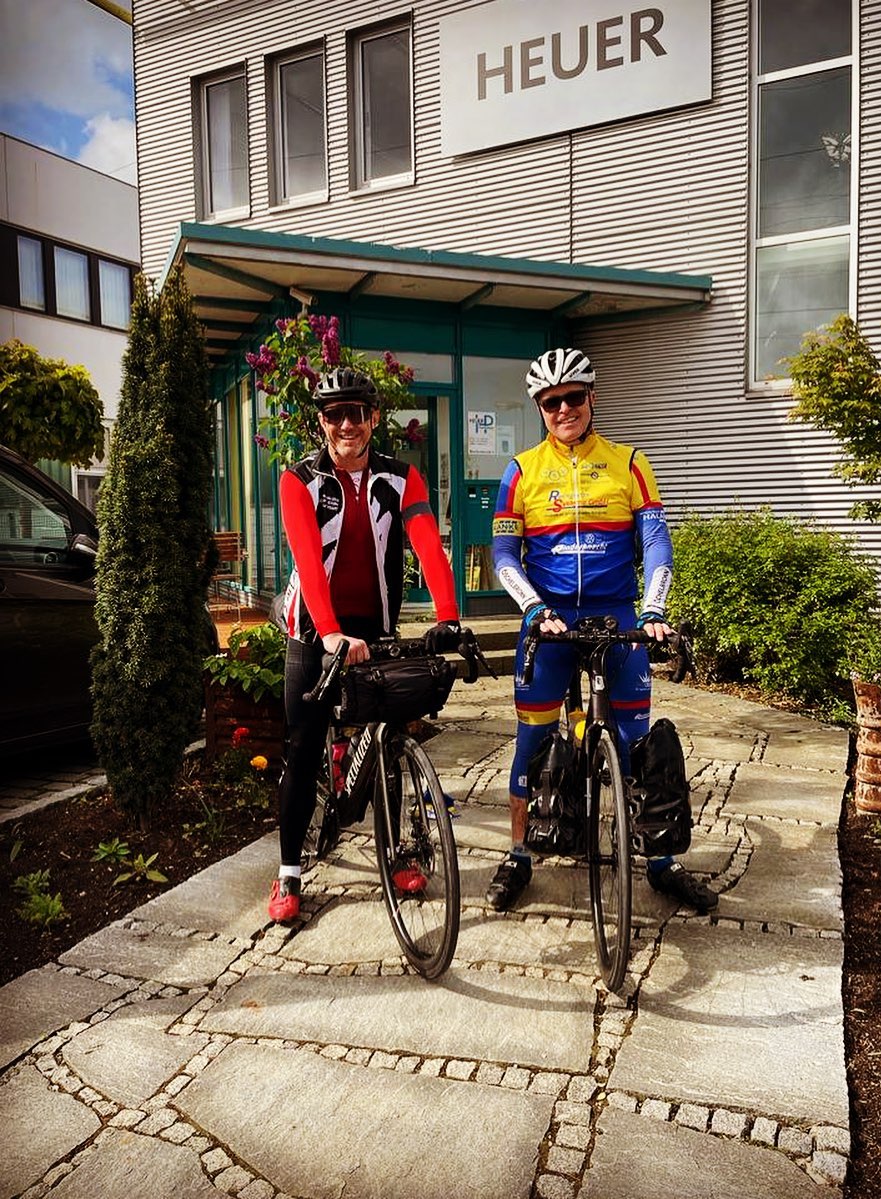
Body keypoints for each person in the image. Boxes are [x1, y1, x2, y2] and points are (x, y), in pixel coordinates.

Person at [487, 347, 718, 914]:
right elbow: (503, 553)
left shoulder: (630, 463)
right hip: (549, 623)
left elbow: (656, 542)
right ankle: (519, 855)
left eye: (573, 397)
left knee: (637, 743)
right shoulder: (521, 472)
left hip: (617, 618)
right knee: (533, 743)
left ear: (591, 398)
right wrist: (533, 608)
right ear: (540, 408)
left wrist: (654, 610)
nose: (563, 409)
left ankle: (661, 863)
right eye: (551, 402)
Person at [268, 367, 461, 922]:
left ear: (374, 417)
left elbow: (428, 545)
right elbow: (308, 560)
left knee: (388, 741)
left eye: (356, 413)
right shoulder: (298, 481)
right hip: (313, 629)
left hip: (374, 629)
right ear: (321, 422)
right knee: (303, 748)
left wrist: (448, 617)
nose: (346, 425)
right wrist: (329, 633)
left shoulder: (402, 478)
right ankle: (289, 871)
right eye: (335, 415)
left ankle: (395, 851)